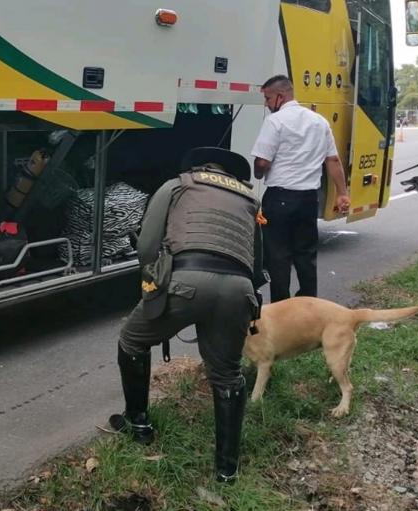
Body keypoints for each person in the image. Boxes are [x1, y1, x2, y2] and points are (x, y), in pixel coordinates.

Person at [108, 147, 267, 483]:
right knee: (227, 375)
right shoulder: (250, 200)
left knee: (132, 340)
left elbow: (147, 245)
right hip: (239, 290)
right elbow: (256, 265)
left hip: (186, 280)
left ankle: (138, 424)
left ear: (202, 166)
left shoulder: (179, 185)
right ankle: (227, 471)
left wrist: (155, 282)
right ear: (231, 175)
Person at [251, 75, 350, 302]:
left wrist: (258, 172)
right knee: (306, 255)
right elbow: (333, 161)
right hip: (308, 200)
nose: (266, 104)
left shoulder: (275, 122)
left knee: (278, 257)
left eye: (267, 98)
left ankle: (282, 308)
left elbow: (263, 162)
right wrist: (343, 193)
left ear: (280, 96)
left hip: (279, 198)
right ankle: (308, 304)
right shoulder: (319, 121)